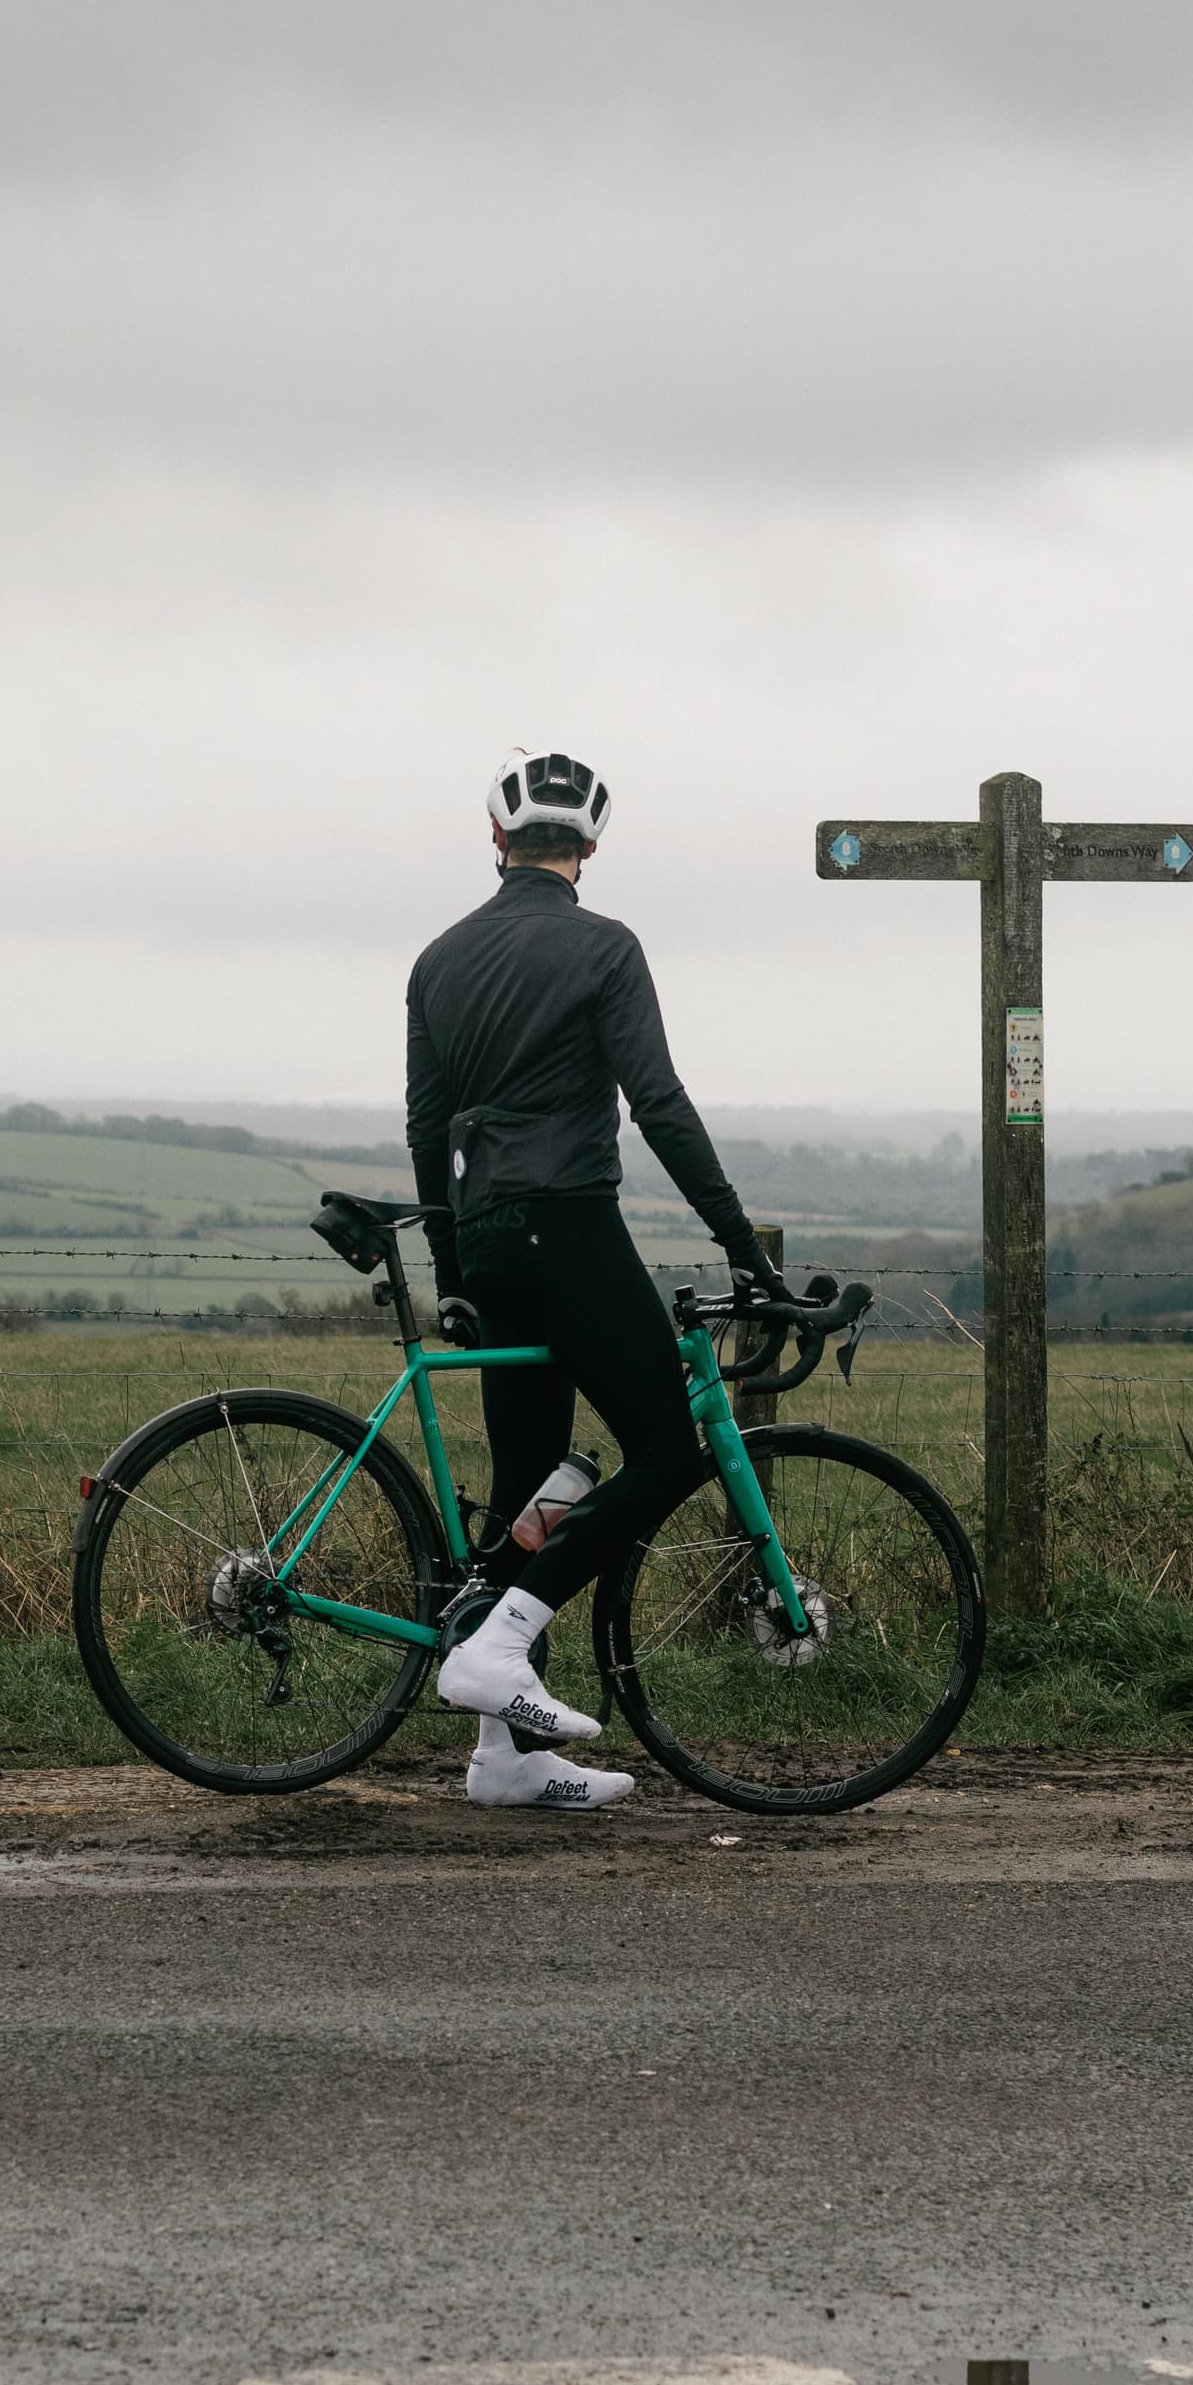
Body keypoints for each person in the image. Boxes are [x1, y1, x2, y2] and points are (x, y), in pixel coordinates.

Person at [406, 747, 779, 1810]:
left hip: (484, 1238)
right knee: (668, 1447)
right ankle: (504, 1643)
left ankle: (502, 1758)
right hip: (569, 1224)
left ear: (497, 839)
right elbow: (657, 1104)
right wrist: (741, 1244)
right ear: (591, 847)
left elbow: (426, 1129)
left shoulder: (437, 958)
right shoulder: (605, 947)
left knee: (529, 1485)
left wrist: (453, 1269)